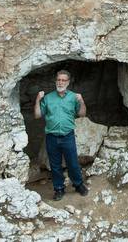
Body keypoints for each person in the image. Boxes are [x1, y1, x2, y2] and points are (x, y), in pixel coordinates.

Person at [34, 69, 89, 200]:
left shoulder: (73, 97)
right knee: (55, 165)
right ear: (55, 81)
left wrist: (81, 101)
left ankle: (78, 184)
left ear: (68, 82)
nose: (60, 82)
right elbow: (37, 115)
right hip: (51, 137)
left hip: (67, 136)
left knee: (73, 163)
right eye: (59, 80)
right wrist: (38, 99)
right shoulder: (47, 98)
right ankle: (59, 189)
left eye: (63, 80)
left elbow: (82, 114)